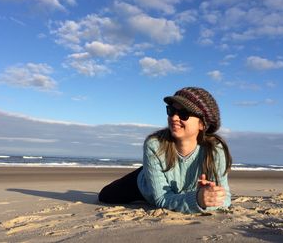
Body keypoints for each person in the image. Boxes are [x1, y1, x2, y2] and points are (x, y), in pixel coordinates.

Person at [98, 87, 232, 214]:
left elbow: (225, 199)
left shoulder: (214, 150)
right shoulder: (155, 145)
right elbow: (161, 199)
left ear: (202, 124)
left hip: (183, 192)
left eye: (183, 114)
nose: (174, 118)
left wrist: (209, 197)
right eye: (171, 111)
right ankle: (150, 171)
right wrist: (197, 200)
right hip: (147, 187)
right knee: (105, 196)